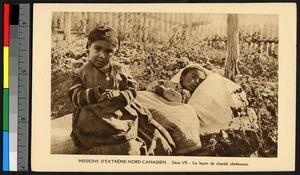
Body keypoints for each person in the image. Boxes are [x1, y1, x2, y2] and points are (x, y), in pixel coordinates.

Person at [68, 26, 174, 155]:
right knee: (93, 135)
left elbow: (132, 89)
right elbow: (75, 96)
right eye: (97, 49)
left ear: (115, 52)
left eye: (108, 51)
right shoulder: (82, 72)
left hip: (118, 112)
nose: (102, 55)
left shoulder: (120, 69)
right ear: (88, 46)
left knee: (132, 134)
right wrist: (96, 93)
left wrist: (119, 94)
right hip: (92, 115)